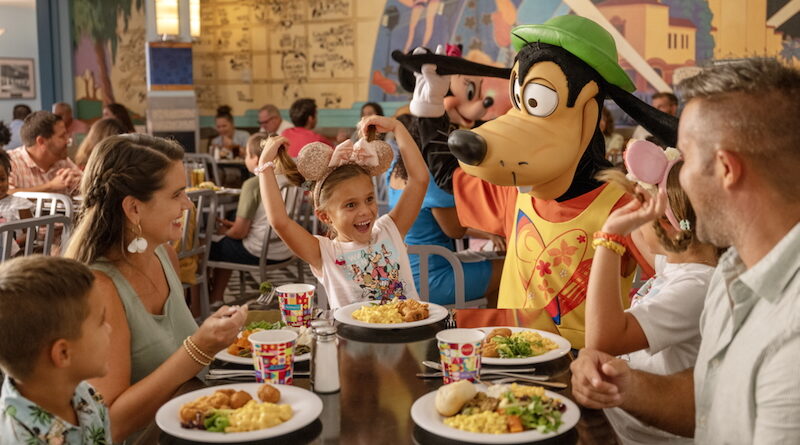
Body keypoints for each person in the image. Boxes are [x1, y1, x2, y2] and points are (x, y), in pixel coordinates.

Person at [570, 58, 800, 444]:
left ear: (726, 169)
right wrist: (621, 382)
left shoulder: (791, 334)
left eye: (687, 159)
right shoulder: (734, 271)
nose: (680, 180)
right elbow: (711, 400)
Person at [64, 134, 247, 441]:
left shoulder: (164, 254)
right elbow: (112, 424)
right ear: (134, 209)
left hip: (194, 422)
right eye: (177, 195)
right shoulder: (99, 287)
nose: (188, 204)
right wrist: (199, 349)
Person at [587, 144, 718, 444]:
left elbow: (603, 338)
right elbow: (645, 235)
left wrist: (608, 239)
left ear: (669, 228)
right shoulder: (678, 263)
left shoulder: (695, 287)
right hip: (625, 425)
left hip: (649, 438)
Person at [260, 115, 428, 309]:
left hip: (407, 333)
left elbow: (419, 180)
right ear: (325, 216)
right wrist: (265, 165)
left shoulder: (390, 230)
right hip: (354, 339)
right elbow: (280, 221)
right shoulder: (324, 253)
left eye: (369, 199)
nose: (365, 211)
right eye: (350, 205)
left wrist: (398, 127)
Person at [386, 117, 503, 307]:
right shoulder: (429, 181)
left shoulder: (394, 172)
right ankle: (490, 326)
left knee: (490, 258)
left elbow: (434, 223)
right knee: (508, 269)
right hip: (430, 277)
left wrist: (487, 234)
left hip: (406, 274)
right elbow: (454, 230)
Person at [0, 256, 112, 444]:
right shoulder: (16, 438)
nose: (109, 328)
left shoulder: (87, 395)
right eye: (101, 322)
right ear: (63, 353)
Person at [209, 132, 292, 304]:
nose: (245, 159)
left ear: (256, 159)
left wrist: (226, 230)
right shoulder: (290, 179)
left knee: (213, 246)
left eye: (246, 155)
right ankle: (215, 298)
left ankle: (214, 299)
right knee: (225, 241)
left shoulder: (253, 184)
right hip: (287, 248)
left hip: (259, 251)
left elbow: (239, 232)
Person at [7, 111, 82, 195]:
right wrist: (50, 186)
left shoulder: (63, 161)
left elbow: (88, 186)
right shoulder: (10, 161)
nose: (68, 141)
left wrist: (81, 183)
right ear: (41, 141)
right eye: (62, 136)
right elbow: (5, 195)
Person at [0, 150, 34, 256]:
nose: (0, 184)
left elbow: (31, 233)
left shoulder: (19, 205)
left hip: (14, 254)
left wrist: (16, 243)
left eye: (2, 179)